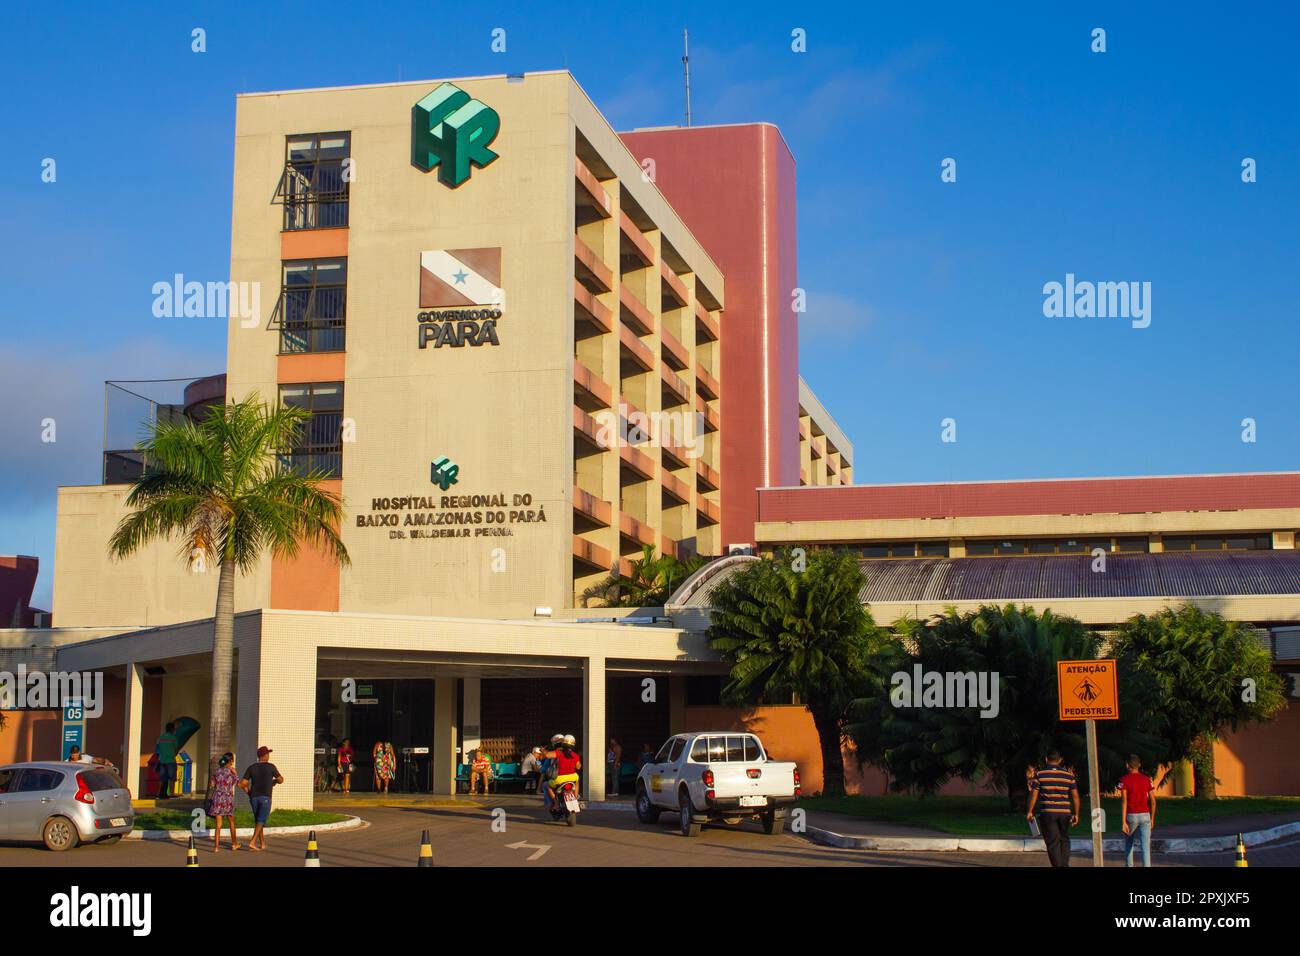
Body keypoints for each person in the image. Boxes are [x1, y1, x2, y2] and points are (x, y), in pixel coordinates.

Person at [1026, 750, 1080, 867]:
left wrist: (1030, 811)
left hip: (1048, 813)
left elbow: (1034, 794)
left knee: (1052, 842)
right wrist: (1076, 813)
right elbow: (1075, 796)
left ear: (1046, 759)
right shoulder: (1069, 775)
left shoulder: (1040, 774)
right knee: (1064, 839)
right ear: (1060, 760)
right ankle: (1064, 865)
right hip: (1065, 813)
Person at [239, 746, 283, 851]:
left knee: (258, 820)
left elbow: (242, 784)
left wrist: (248, 792)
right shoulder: (271, 767)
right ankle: (253, 842)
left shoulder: (251, 767)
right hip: (265, 797)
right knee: (261, 820)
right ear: (264, 756)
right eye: (268, 754)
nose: (269, 756)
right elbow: (281, 779)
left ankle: (262, 843)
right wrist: (276, 781)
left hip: (254, 797)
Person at [1117, 754, 1157, 867]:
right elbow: (1153, 801)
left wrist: (1123, 822)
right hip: (1145, 815)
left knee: (1129, 844)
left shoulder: (1124, 780)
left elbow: (1124, 801)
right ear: (1139, 765)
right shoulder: (1147, 780)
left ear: (1127, 765)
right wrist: (1152, 818)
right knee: (1145, 847)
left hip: (1131, 816)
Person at [208, 752, 241, 852]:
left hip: (218, 799)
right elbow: (238, 784)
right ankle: (234, 844)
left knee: (218, 825)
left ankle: (216, 847)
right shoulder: (232, 772)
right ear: (230, 761)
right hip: (228, 800)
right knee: (231, 822)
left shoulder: (217, 771)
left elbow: (212, 785)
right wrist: (236, 775)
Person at [154, 721, 179, 799]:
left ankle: (159, 793)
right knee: (172, 778)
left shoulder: (160, 738)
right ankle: (171, 793)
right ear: (172, 729)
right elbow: (176, 750)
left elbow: (157, 750)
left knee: (162, 778)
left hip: (162, 761)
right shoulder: (173, 738)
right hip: (171, 761)